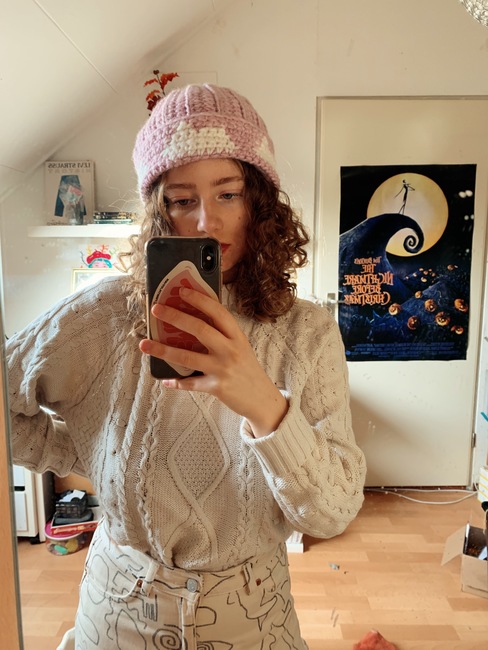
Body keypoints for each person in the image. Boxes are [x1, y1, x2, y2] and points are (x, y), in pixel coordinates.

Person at [7, 83, 366, 650]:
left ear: (260, 202)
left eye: (228, 194)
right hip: (118, 615)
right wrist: (83, 451)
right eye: (181, 199)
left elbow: (334, 511)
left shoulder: (308, 333)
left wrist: (264, 404)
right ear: (159, 210)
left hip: (254, 620)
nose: (205, 221)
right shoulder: (104, 317)